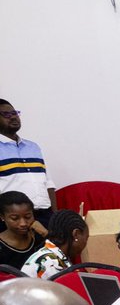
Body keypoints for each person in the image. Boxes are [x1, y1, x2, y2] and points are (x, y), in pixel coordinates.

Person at [0, 98, 55, 230]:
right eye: (6, 115)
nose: (13, 117)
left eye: (15, 113)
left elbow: (48, 183)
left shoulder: (33, 147)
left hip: (45, 215)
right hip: (13, 220)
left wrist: (55, 215)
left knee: (49, 251)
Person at [21, 208, 87, 278]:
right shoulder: (50, 264)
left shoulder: (54, 256)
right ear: (76, 234)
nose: (85, 244)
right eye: (86, 238)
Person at [0, 190, 46, 268]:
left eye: (28, 217)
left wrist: (46, 234)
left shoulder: (39, 235)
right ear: (2, 217)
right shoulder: (1, 248)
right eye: (15, 218)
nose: (23, 223)